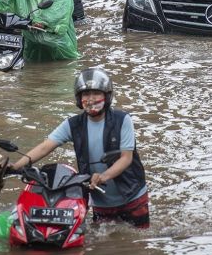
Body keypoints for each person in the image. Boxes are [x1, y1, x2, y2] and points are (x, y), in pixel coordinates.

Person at [9, 68, 149, 227]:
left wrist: (103, 176)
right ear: (79, 98)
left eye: (96, 93)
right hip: (100, 201)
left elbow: (126, 158)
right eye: (85, 94)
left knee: (138, 241)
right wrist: (15, 166)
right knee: (102, 246)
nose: (90, 99)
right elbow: (45, 147)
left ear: (107, 95)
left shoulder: (122, 120)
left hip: (132, 194)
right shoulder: (73, 125)